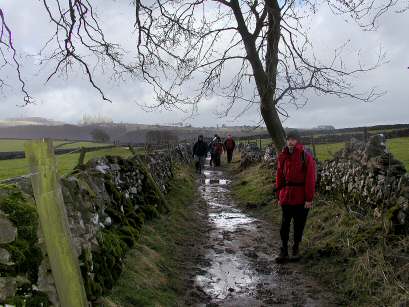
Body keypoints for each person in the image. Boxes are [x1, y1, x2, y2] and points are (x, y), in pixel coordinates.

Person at [275, 130, 316, 263]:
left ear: (298, 141)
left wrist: (309, 199)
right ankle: (284, 250)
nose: (291, 142)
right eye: (289, 139)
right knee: (284, 225)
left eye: (293, 139)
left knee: (299, 225)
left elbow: (310, 178)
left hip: (301, 197)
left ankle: (296, 248)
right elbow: (279, 176)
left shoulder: (306, 156)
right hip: (286, 196)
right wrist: (278, 195)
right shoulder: (283, 156)